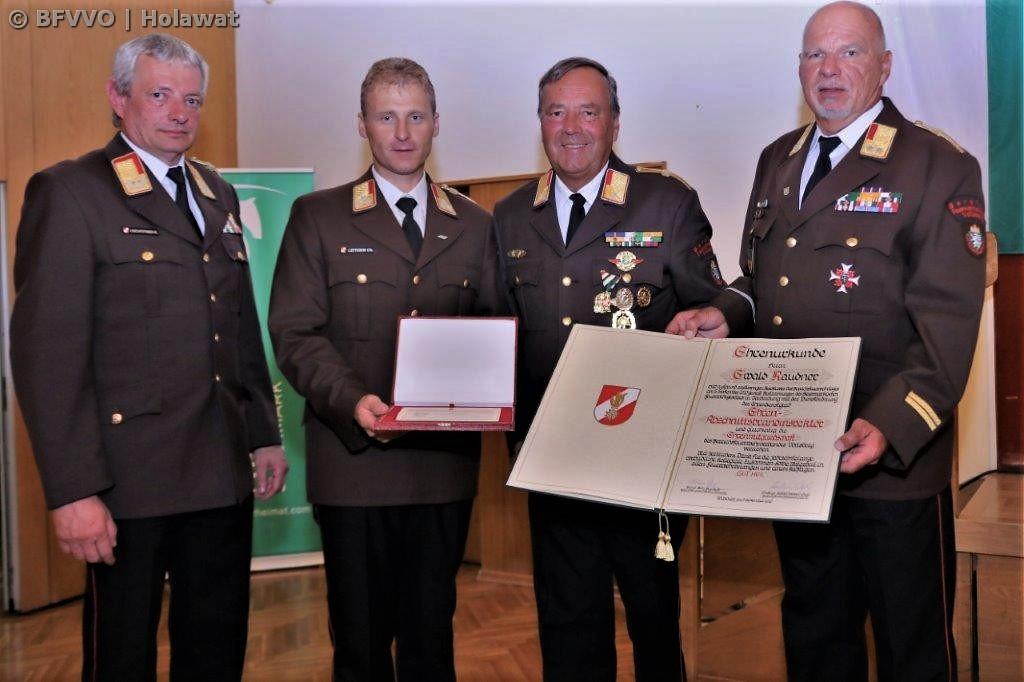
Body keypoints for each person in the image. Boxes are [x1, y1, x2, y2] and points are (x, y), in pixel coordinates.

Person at [668, 3, 986, 679]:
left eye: (849, 53)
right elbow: (764, 279)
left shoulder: (937, 165)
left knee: (911, 649)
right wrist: (725, 312)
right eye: (815, 55)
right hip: (795, 451)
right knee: (816, 636)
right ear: (799, 69)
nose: (829, 70)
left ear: (885, 66)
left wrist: (892, 423)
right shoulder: (777, 160)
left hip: (891, 460)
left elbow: (949, 324)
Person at [9, 33, 287, 681]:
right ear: (118, 97)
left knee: (216, 649)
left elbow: (238, 326)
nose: (179, 113)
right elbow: (48, 356)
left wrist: (263, 433)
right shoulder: (72, 191)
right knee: (122, 657)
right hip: (126, 485)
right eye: (159, 95)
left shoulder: (216, 192)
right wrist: (73, 491)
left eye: (192, 99)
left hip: (219, 473)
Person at [492, 57, 727, 681]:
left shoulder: (666, 202)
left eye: (588, 112)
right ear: (540, 122)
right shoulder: (511, 215)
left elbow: (714, 309)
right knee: (567, 626)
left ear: (615, 123)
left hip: (644, 459)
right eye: (556, 112)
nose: (571, 126)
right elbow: (495, 327)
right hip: (552, 457)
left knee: (653, 621)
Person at [268, 58, 499, 681]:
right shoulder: (318, 217)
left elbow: (495, 329)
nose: (402, 132)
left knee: (431, 643)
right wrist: (352, 400)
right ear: (362, 124)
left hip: (442, 469)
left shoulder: (477, 225)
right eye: (386, 117)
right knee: (361, 647)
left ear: (436, 123)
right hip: (355, 466)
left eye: (416, 116)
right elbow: (295, 332)